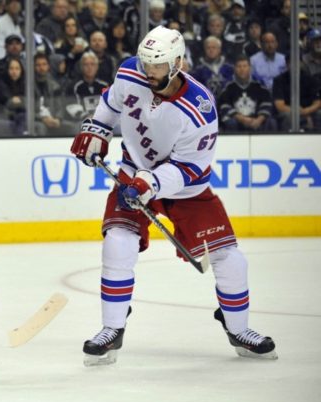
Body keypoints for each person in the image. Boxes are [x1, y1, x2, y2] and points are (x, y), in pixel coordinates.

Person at [70, 25, 277, 367]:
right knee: (117, 243)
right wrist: (97, 130)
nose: (149, 72)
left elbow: (189, 168)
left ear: (178, 62)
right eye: (146, 63)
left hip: (186, 191)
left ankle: (238, 328)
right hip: (132, 173)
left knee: (230, 260)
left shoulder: (200, 108)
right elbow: (110, 100)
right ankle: (112, 328)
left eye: (158, 65)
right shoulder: (130, 72)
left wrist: (149, 184)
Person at [218, 54, 276, 131]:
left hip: (256, 119)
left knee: (271, 122)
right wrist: (242, 119)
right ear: (234, 68)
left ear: (250, 68)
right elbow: (224, 106)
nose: (242, 69)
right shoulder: (227, 85)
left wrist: (259, 120)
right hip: (236, 119)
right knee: (230, 122)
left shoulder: (259, 84)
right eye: (239, 66)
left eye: (245, 66)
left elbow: (267, 103)